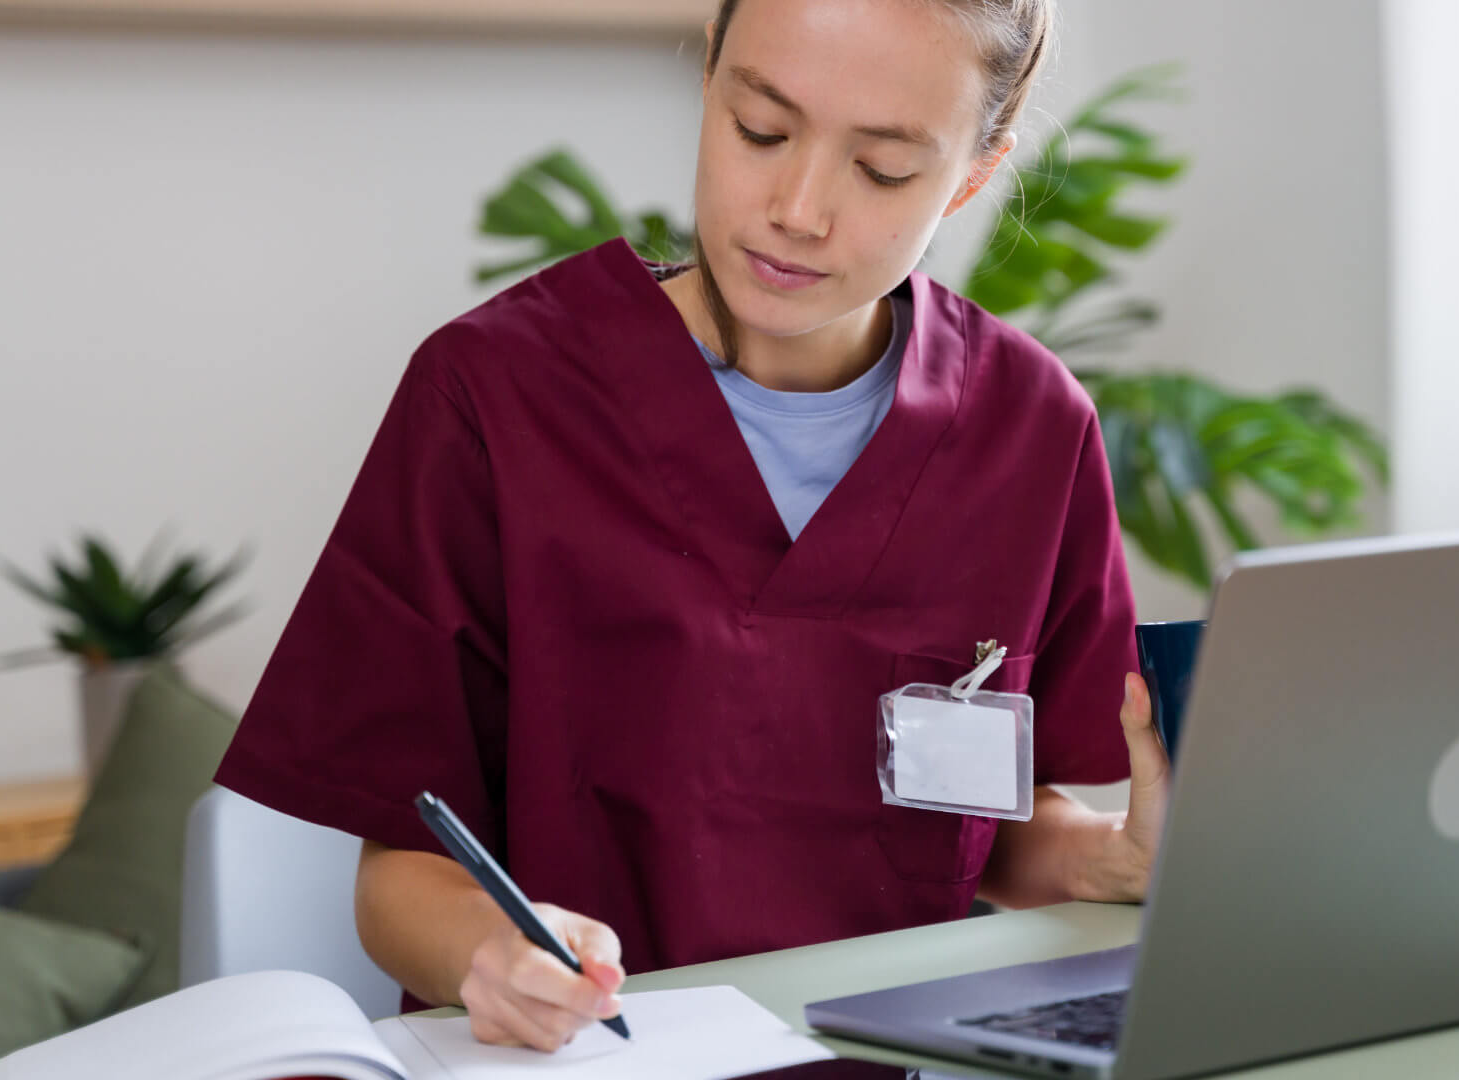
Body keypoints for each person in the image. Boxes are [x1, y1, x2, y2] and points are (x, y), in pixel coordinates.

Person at [213, 0, 1171, 1054]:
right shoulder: (492, 400)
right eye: (760, 129)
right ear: (709, 77)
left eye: (885, 169)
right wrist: (492, 956)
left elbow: (981, 835)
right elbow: (400, 874)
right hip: (585, 1063)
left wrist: (1107, 861)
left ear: (975, 174)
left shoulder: (1028, 433)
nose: (798, 208)